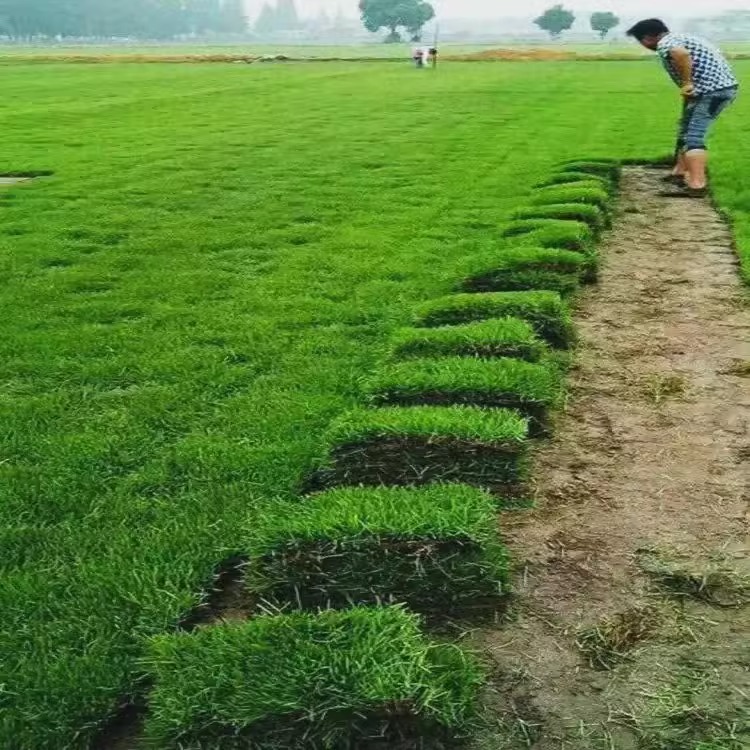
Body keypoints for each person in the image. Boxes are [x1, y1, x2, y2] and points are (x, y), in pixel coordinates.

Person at [626, 18, 738, 197]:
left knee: (694, 136)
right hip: (712, 90)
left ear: (647, 38)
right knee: (684, 131)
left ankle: (697, 186)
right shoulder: (683, 37)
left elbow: (681, 54)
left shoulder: (666, 43)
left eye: (641, 41)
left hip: (712, 92)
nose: (644, 46)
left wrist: (687, 84)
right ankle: (679, 172)